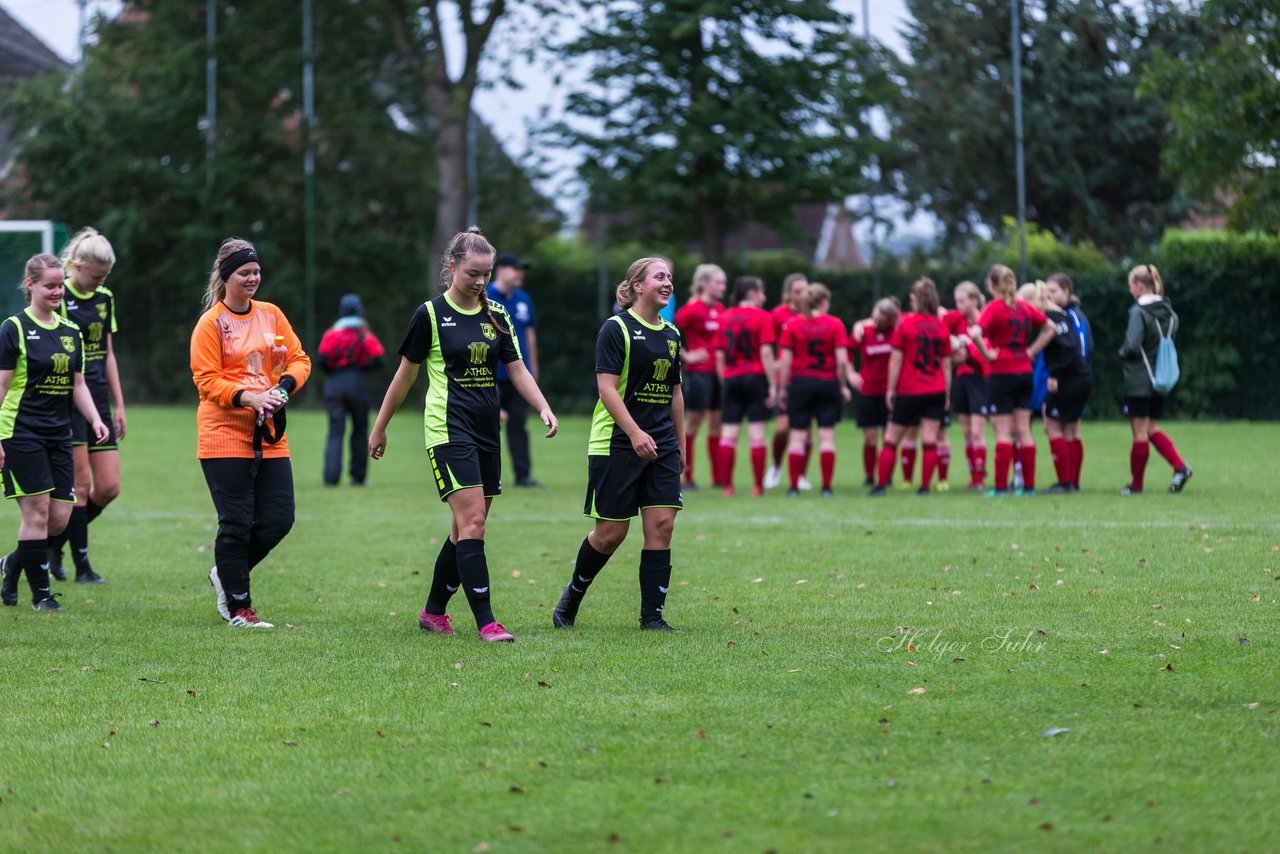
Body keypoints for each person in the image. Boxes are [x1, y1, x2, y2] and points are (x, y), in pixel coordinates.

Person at [370, 227, 558, 643]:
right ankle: (487, 622)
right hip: (447, 429)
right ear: (452, 265)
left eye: (487, 274)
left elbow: (516, 368)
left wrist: (541, 405)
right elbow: (404, 377)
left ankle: (433, 612)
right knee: (473, 522)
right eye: (473, 273)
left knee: (464, 528)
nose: (480, 282)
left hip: (487, 429)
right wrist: (380, 426)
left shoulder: (497, 315)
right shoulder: (430, 315)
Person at [551, 257, 684, 632]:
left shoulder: (672, 334)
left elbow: (676, 393)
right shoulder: (616, 329)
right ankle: (571, 598)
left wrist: (681, 446)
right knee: (611, 533)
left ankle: (652, 618)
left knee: (662, 525)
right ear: (637, 286)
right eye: (659, 276)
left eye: (670, 277)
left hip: (662, 445)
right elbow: (606, 388)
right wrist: (634, 433)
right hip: (616, 442)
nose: (667, 282)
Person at [191, 238, 312, 628]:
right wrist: (248, 397)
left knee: (279, 518)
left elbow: (299, 358)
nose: (253, 278)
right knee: (237, 521)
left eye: (256, 271)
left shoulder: (271, 315)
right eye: (244, 272)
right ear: (226, 277)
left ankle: (226, 574)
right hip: (224, 434)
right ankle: (239, 607)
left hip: (270, 434)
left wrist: (283, 389)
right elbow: (206, 380)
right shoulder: (211, 324)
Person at [1, 254, 110, 611]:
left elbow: (78, 383)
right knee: (36, 511)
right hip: (20, 431)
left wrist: (95, 419)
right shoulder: (14, 328)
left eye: (60, 286)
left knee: (60, 517)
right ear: (30, 285)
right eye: (49, 285)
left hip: (59, 433)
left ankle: (11, 564)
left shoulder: (70, 330)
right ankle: (42, 596)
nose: (57, 292)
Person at [47, 228, 123, 584]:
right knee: (78, 483)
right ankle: (82, 568)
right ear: (76, 266)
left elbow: (107, 354)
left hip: (99, 397)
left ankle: (50, 544)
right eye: (95, 276)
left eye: (104, 277)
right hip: (69, 399)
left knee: (108, 487)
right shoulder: (58, 298)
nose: (99, 282)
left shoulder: (105, 298)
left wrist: (119, 405)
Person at [969, 264, 1055, 495]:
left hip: (1002, 373)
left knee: (1002, 432)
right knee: (1024, 430)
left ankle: (999, 487)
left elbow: (974, 333)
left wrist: (987, 355)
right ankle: (1028, 487)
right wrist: (1032, 350)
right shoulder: (1024, 307)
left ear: (991, 285)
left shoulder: (994, 307)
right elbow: (1050, 327)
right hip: (1024, 371)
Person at [870, 279, 952, 496]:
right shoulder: (942, 326)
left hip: (909, 390)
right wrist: (947, 394)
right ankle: (924, 487)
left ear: (915, 299)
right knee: (929, 439)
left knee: (891, 438)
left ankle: (880, 486)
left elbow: (895, 360)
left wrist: (890, 389)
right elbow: (946, 365)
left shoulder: (906, 325)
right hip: (935, 390)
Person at [1118, 264, 1192, 494]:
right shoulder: (1170, 313)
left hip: (1139, 378)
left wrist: (1121, 353)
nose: (1130, 289)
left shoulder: (1138, 312)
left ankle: (1136, 485)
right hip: (1161, 377)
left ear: (1140, 285)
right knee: (1151, 428)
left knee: (1139, 431)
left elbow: (1132, 344)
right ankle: (1180, 468)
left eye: (1131, 285)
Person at [778, 283, 851, 497]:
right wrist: (843, 385)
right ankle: (826, 488)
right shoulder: (835, 324)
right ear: (824, 301)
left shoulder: (793, 324)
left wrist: (783, 389)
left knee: (798, 437)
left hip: (801, 384)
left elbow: (785, 362)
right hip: (827, 383)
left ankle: (793, 488)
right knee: (826, 437)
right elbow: (842, 361)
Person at [486, 252, 543, 488]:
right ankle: (488, 476)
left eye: (521, 270)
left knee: (518, 424)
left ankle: (523, 475)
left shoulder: (523, 299)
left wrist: (533, 369)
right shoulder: (484, 295)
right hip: (490, 374)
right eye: (515, 269)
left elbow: (529, 336)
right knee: (489, 425)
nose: (519, 274)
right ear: (500, 270)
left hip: (519, 374)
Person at [717, 276, 777, 496]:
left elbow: (719, 356)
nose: (764, 297)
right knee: (757, 435)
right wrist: (772, 385)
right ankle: (757, 486)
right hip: (755, 377)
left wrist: (725, 382)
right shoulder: (763, 317)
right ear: (751, 293)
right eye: (761, 292)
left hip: (731, 378)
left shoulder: (724, 318)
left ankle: (727, 487)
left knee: (728, 435)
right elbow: (766, 353)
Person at [317, 294, 385, 486]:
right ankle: (358, 477)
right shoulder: (364, 335)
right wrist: (360, 369)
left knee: (335, 432)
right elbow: (380, 360)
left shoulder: (331, 334)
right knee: (360, 430)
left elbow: (321, 359)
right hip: (357, 385)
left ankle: (331, 479)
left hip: (334, 385)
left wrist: (333, 372)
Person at [1037, 277, 1092, 493]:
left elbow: (1073, 348)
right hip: (1079, 377)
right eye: (1048, 291)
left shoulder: (1059, 317)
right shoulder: (1065, 314)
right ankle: (1072, 483)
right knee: (1071, 430)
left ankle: (1065, 482)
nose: (1050, 295)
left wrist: (1055, 374)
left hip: (1070, 379)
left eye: (1054, 290)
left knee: (1052, 425)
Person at [674, 264, 725, 489]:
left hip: (718, 374)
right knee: (692, 424)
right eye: (718, 282)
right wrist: (687, 355)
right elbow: (669, 333)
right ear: (704, 284)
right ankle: (688, 476)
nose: (723, 287)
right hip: (698, 375)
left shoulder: (722, 309)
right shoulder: (691, 309)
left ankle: (718, 478)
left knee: (717, 425)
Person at [848, 297, 899, 486]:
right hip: (867, 390)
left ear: (890, 320)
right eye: (873, 318)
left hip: (890, 393)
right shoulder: (864, 331)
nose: (874, 323)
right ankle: (869, 476)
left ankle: (886, 476)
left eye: (879, 321)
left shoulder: (897, 332)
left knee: (889, 437)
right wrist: (850, 372)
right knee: (870, 437)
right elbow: (847, 350)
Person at [765, 272, 809, 489]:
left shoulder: (813, 315)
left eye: (805, 291)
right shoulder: (777, 315)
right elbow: (765, 344)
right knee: (782, 428)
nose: (802, 295)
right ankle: (776, 466)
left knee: (806, 431)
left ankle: (800, 475)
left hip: (805, 378)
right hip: (784, 380)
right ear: (788, 294)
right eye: (797, 291)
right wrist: (773, 363)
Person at [950, 281, 990, 489]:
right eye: (956, 301)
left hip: (979, 381)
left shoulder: (984, 321)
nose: (958, 305)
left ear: (974, 300)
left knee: (977, 432)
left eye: (962, 301)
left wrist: (969, 350)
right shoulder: (959, 321)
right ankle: (972, 476)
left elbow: (987, 355)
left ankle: (980, 479)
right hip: (962, 379)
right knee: (966, 432)